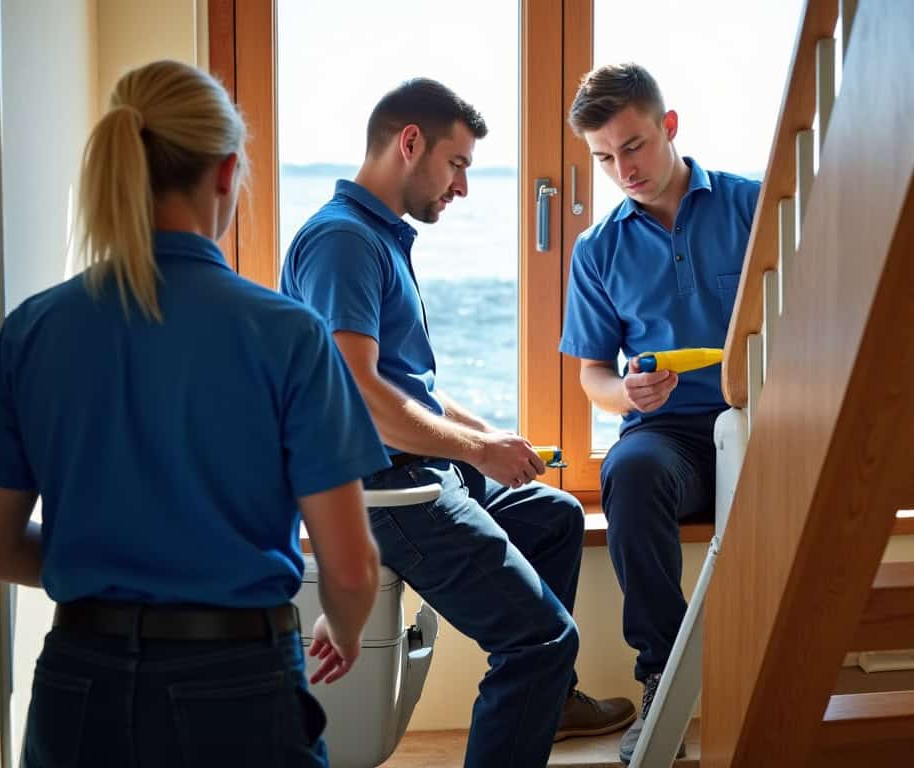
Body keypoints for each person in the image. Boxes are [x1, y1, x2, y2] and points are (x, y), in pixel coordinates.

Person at [0, 60, 387, 768]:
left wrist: (102, 568)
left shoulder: (35, 329)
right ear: (224, 172)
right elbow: (348, 568)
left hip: (76, 684)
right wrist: (343, 629)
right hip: (236, 686)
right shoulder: (285, 334)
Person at [281, 78, 635, 768]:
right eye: (459, 164)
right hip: (389, 491)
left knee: (554, 517)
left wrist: (493, 442)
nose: (463, 188)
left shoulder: (377, 238)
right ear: (410, 143)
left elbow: (408, 386)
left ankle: (551, 704)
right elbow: (358, 397)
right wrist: (476, 450)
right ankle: (541, 681)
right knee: (540, 640)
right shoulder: (343, 244)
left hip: (422, 469)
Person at [560, 62, 762, 763]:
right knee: (631, 472)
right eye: (604, 157)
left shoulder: (758, 208)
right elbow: (592, 375)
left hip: (765, 420)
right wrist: (627, 393)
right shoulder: (597, 249)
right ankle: (664, 684)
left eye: (634, 146)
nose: (623, 169)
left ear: (668, 126)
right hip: (667, 436)